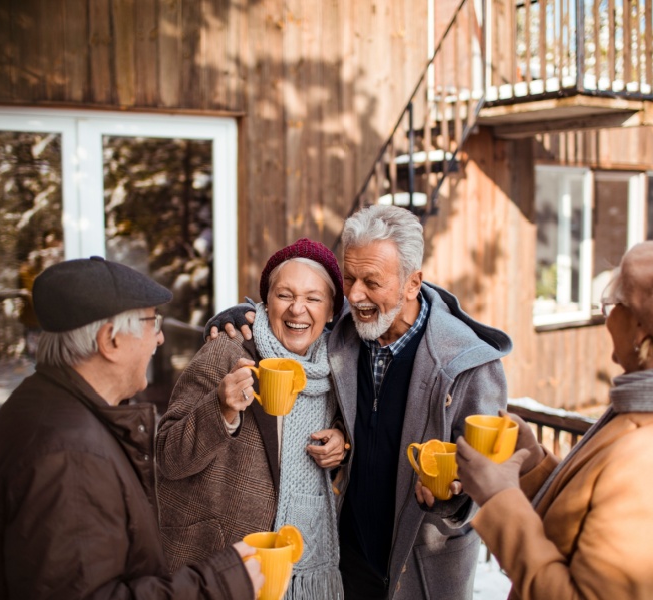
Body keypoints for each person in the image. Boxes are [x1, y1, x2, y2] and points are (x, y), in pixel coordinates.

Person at [208, 205, 513, 599]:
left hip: (419, 573)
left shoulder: (469, 365)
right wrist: (248, 315)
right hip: (347, 562)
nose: (354, 295)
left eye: (372, 281)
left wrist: (452, 496)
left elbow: (488, 480)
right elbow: (300, 314)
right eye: (349, 277)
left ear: (412, 283)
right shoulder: (349, 332)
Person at [0, 256, 263, 600]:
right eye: (152, 323)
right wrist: (221, 583)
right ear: (110, 341)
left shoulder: (41, 404)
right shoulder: (69, 456)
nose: (159, 339)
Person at [456, 240, 653, 599]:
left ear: (640, 330)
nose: (607, 318)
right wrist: (533, 465)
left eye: (611, 306)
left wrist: (498, 496)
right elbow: (591, 517)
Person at [156, 239, 348, 600]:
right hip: (220, 565)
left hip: (293, 568)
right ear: (265, 302)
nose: (297, 309)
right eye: (285, 295)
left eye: (313, 298)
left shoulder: (336, 371)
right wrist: (220, 409)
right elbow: (167, 455)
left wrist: (340, 442)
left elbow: (342, 436)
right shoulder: (226, 351)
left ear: (332, 310)